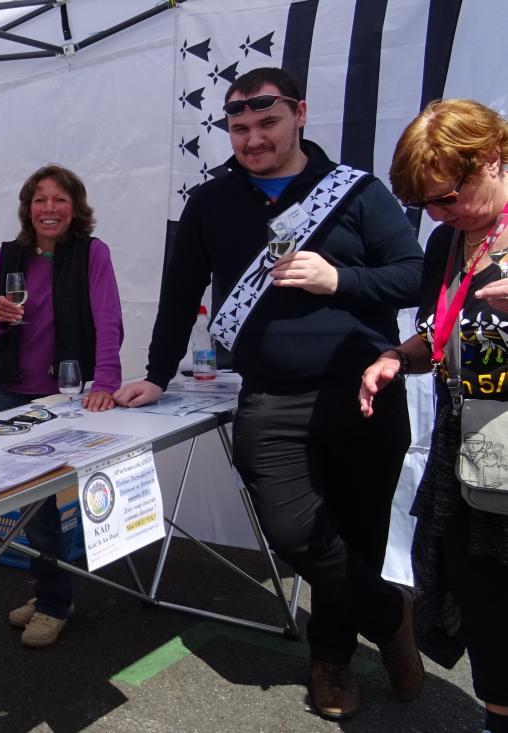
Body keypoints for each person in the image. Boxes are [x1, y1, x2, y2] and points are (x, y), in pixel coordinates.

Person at [113, 67, 424, 719]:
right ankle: (390, 611)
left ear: (300, 114)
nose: (252, 138)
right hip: (271, 398)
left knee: (360, 535)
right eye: (239, 126)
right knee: (291, 530)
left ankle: (330, 660)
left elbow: (414, 277)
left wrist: (338, 280)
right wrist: (157, 373)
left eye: (267, 122)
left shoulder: (355, 193)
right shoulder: (211, 202)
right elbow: (179, 296)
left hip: (363, 392)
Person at [360, 98, 508, 733]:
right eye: (427, 206)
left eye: (448, 197)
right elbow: (438, 335)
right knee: (485, 600)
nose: (439, 215)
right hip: (474, 444)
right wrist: (397, 356)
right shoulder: (449, 241)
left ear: (493, 158)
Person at [0, 164, 124, 648]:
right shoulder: (8, 256)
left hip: (66, 396)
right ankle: (49, 595)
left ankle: (56, 602)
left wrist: (106, 381)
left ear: (75, 208)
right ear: (28, 208)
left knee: (44, 506)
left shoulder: (91, 254)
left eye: (60, 200)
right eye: (40, 200)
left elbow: (108, 321)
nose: (49, 209)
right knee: (27, 504)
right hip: (11, 393)